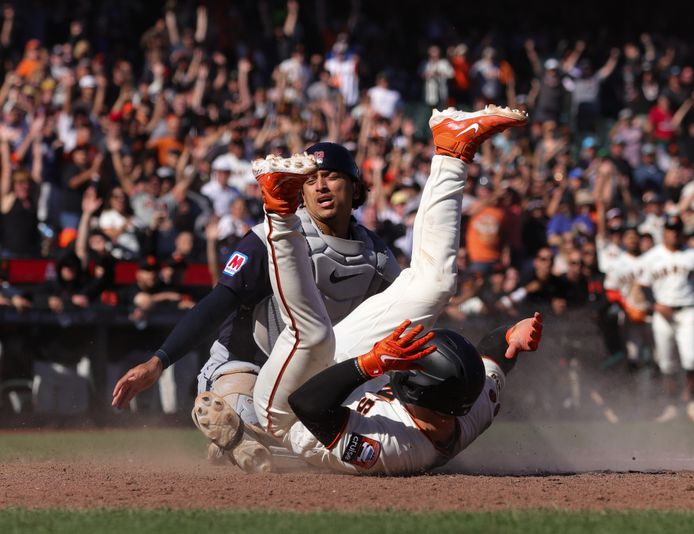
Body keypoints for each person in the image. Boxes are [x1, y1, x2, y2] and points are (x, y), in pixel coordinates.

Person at [191, 105, 541, 475]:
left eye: (410, 364)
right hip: (347, 384)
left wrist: (371, 363)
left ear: (413, 389)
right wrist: (512, 339)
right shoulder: (469, 407)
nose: (407, 362)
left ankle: (278, 208)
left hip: (289, 410)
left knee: (313, 335)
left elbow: (307, 404)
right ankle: (452, 151)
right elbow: (491, 359)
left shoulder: (393, 450)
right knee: (435, 286)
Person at [111, 142, 401, 473]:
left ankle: (247, 446)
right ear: (299, 192)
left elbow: (401, 316)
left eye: (332, 176)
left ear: (355, 187)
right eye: (310, 179)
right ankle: (245, 438)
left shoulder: (376, 256)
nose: (321, 186)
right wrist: (158, 362)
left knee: (368, 431)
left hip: (317, 378)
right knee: (235, 415)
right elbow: (218, 302)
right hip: (247, 364)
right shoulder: (269, 238)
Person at [638, 215, 694, 423]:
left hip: (688, 310)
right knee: (666, 363)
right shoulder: (652, 256)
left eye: (677, 230)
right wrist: (655, 304)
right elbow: (644, 286)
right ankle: (671, 406)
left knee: (692, 357)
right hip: (663, 314)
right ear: (664, 232)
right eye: (670, 229)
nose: (674, 233)